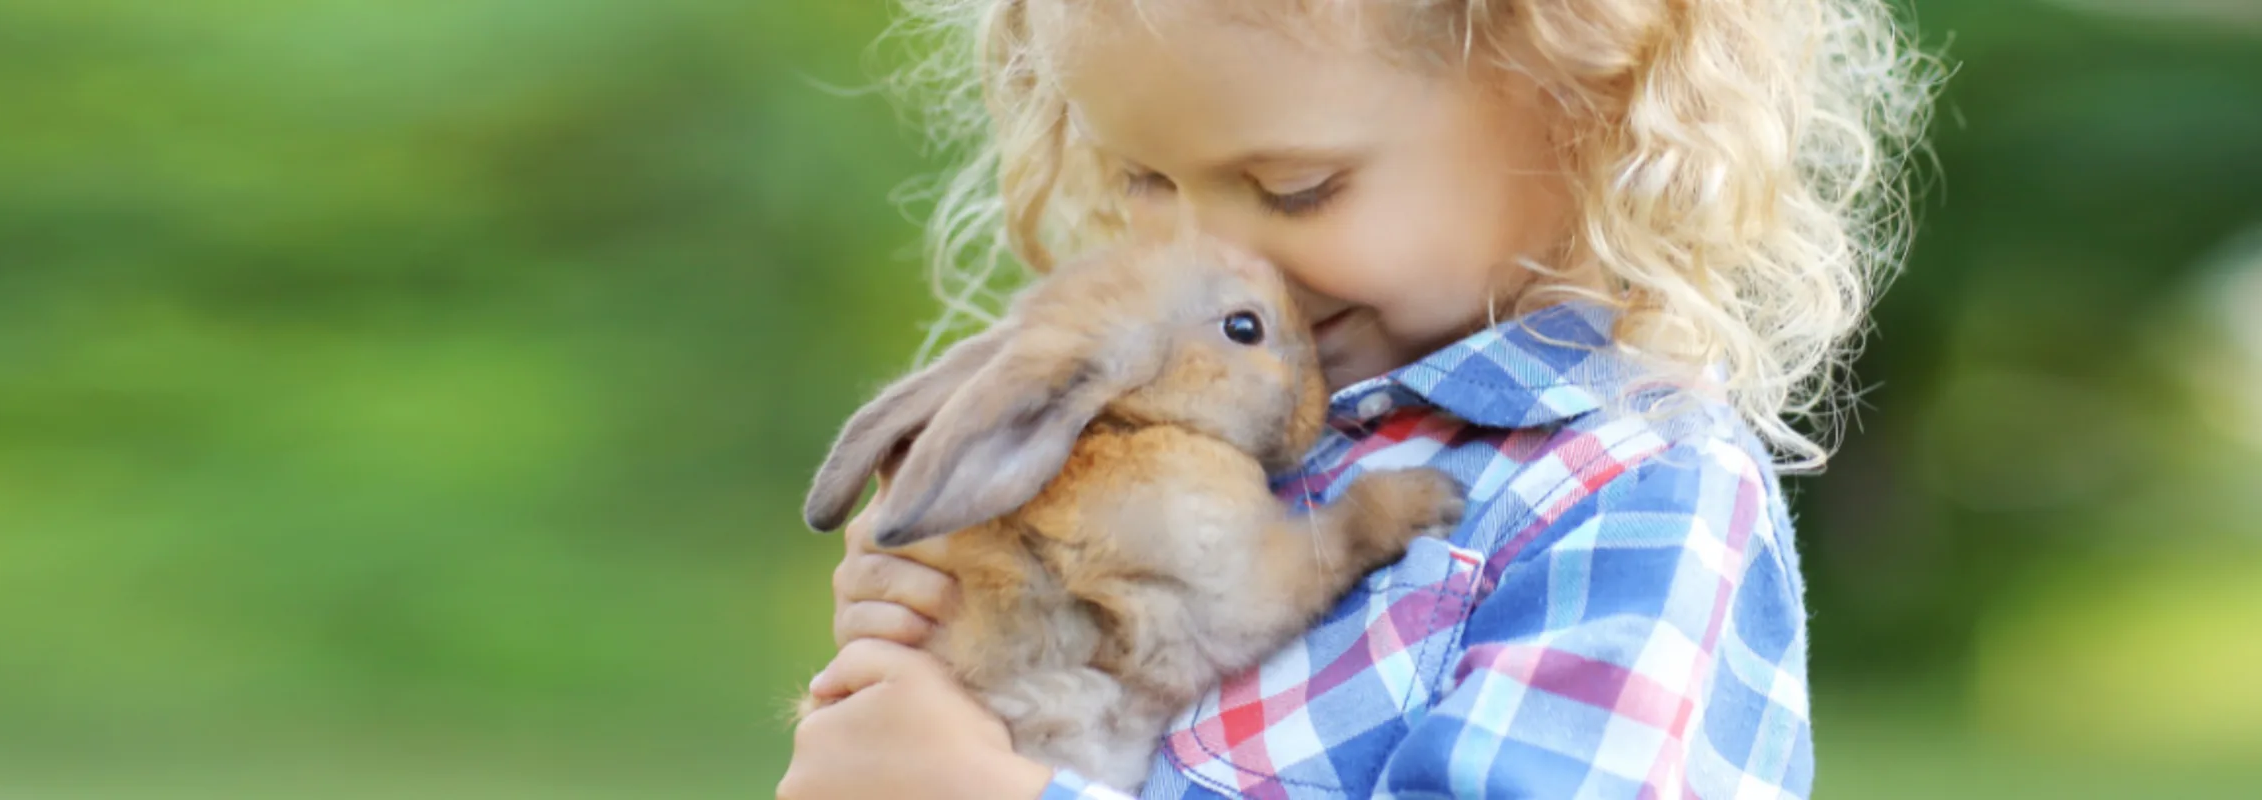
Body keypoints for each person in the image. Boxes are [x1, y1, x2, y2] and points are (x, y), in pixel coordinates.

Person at [779, 1, 1937, 797]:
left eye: (1294, 189)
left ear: (1577, 101)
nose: (1205, 253)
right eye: (1142, 178)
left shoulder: (1625, 494)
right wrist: (942, 623)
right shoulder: (1193, 409)